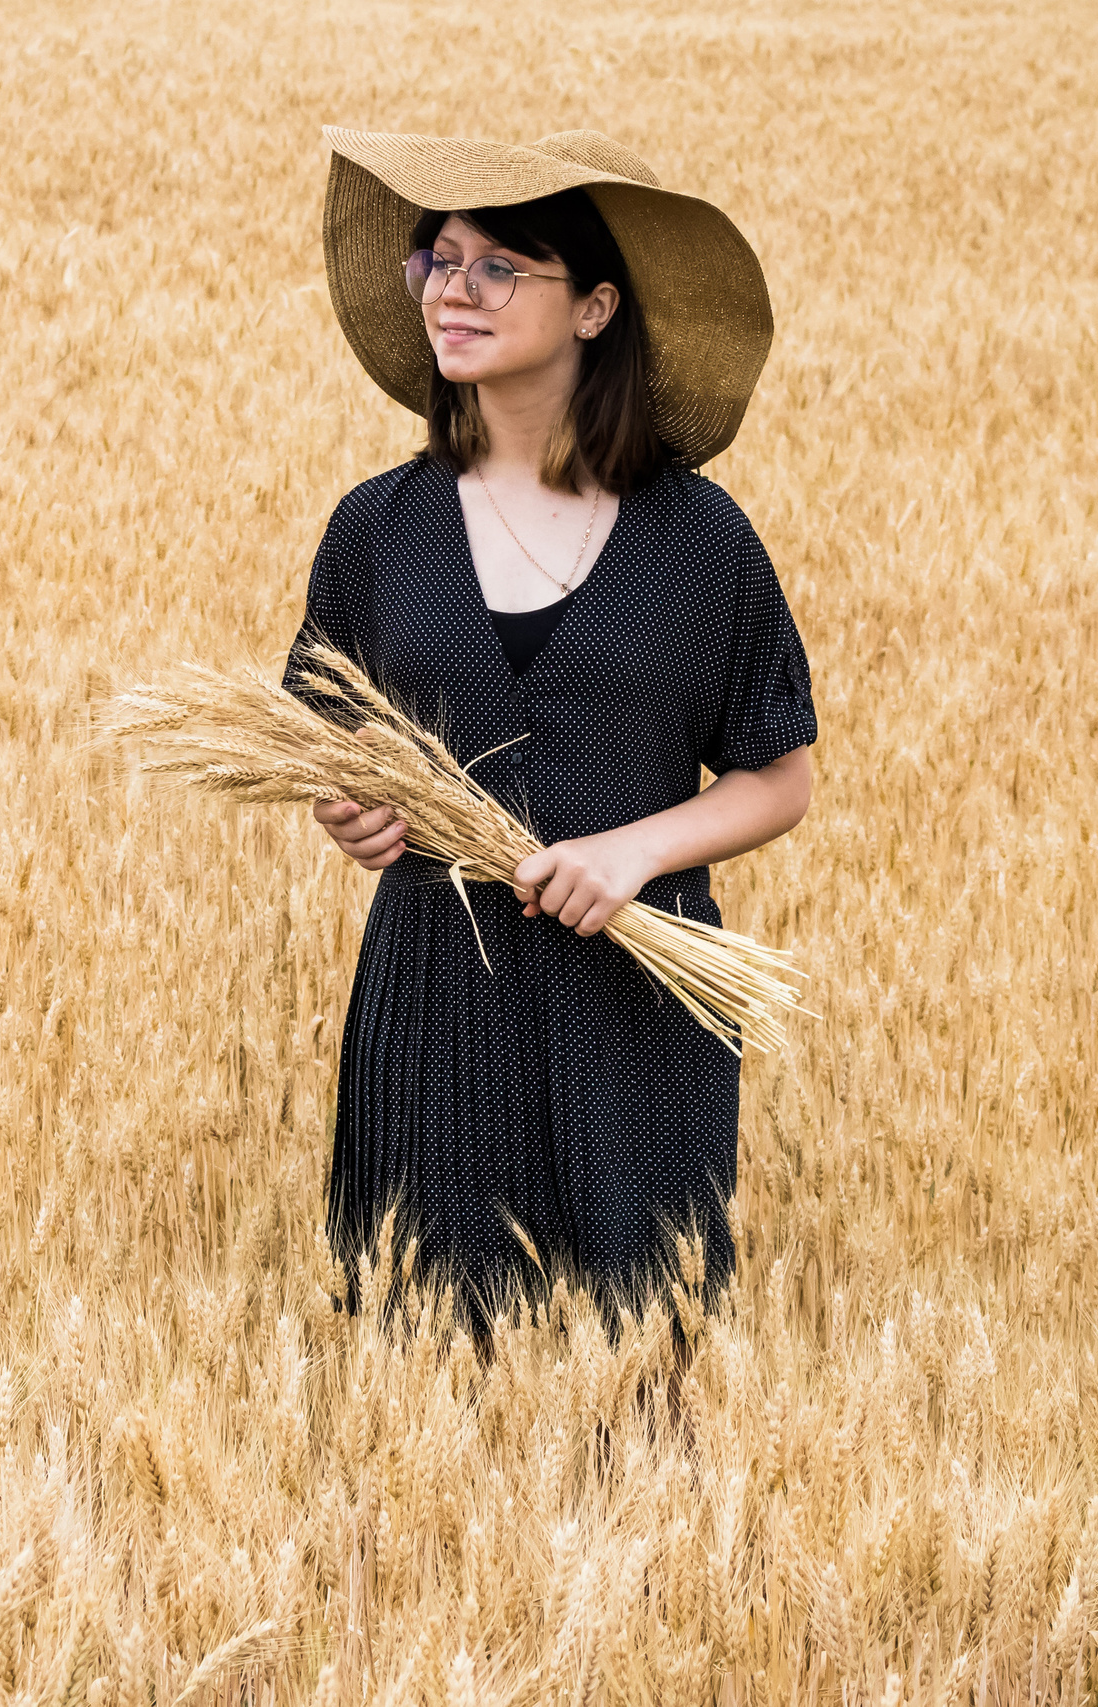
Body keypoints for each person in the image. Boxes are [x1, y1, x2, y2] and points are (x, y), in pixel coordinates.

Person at [289, 128, 816, 1348]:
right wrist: (347, 812)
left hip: (637, 1000)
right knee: (423, 1368)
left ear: (592, 308)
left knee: (641, 1372)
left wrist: (633, 853)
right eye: (438, 261)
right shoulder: (377, 530)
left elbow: (777, 774)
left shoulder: (698, 542)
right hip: (434, 1000)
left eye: (495, 268)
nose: (450, 292)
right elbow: (322, 745)